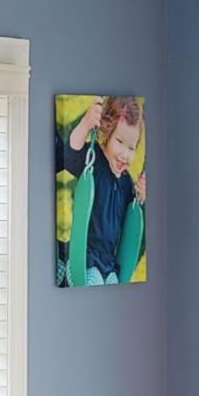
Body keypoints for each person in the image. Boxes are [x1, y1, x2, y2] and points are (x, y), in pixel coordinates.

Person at [60, 95, 145, 286]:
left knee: (113, 286)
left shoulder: (126, 183)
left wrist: (141, 195)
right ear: (106, 134)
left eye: (132, 148)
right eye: (120, 142)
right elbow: (71, 152)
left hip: (108, 264)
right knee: (93, 282)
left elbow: (133, 222)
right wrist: (86, 124)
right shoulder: (94, 161)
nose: (125, 154)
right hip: (84, 257)